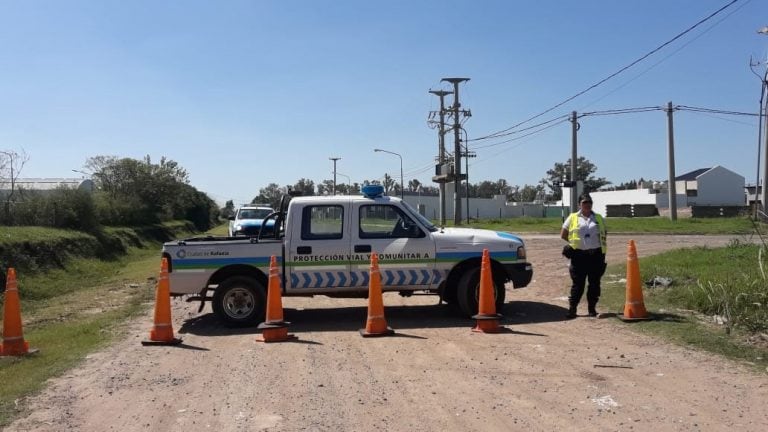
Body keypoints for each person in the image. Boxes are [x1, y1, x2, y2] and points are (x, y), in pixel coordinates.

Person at [560, 193, 607, 318]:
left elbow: (604, 233)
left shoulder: (598, 218)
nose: (587, 205)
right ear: (579, 204)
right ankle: (572, 309)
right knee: (578, 284)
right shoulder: (573, 217)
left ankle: (592, 309)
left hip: (595, 255)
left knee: (594, 284)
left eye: (589, 203)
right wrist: (573, 244)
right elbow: (563, 234)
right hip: (579, 256)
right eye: (584, 203)